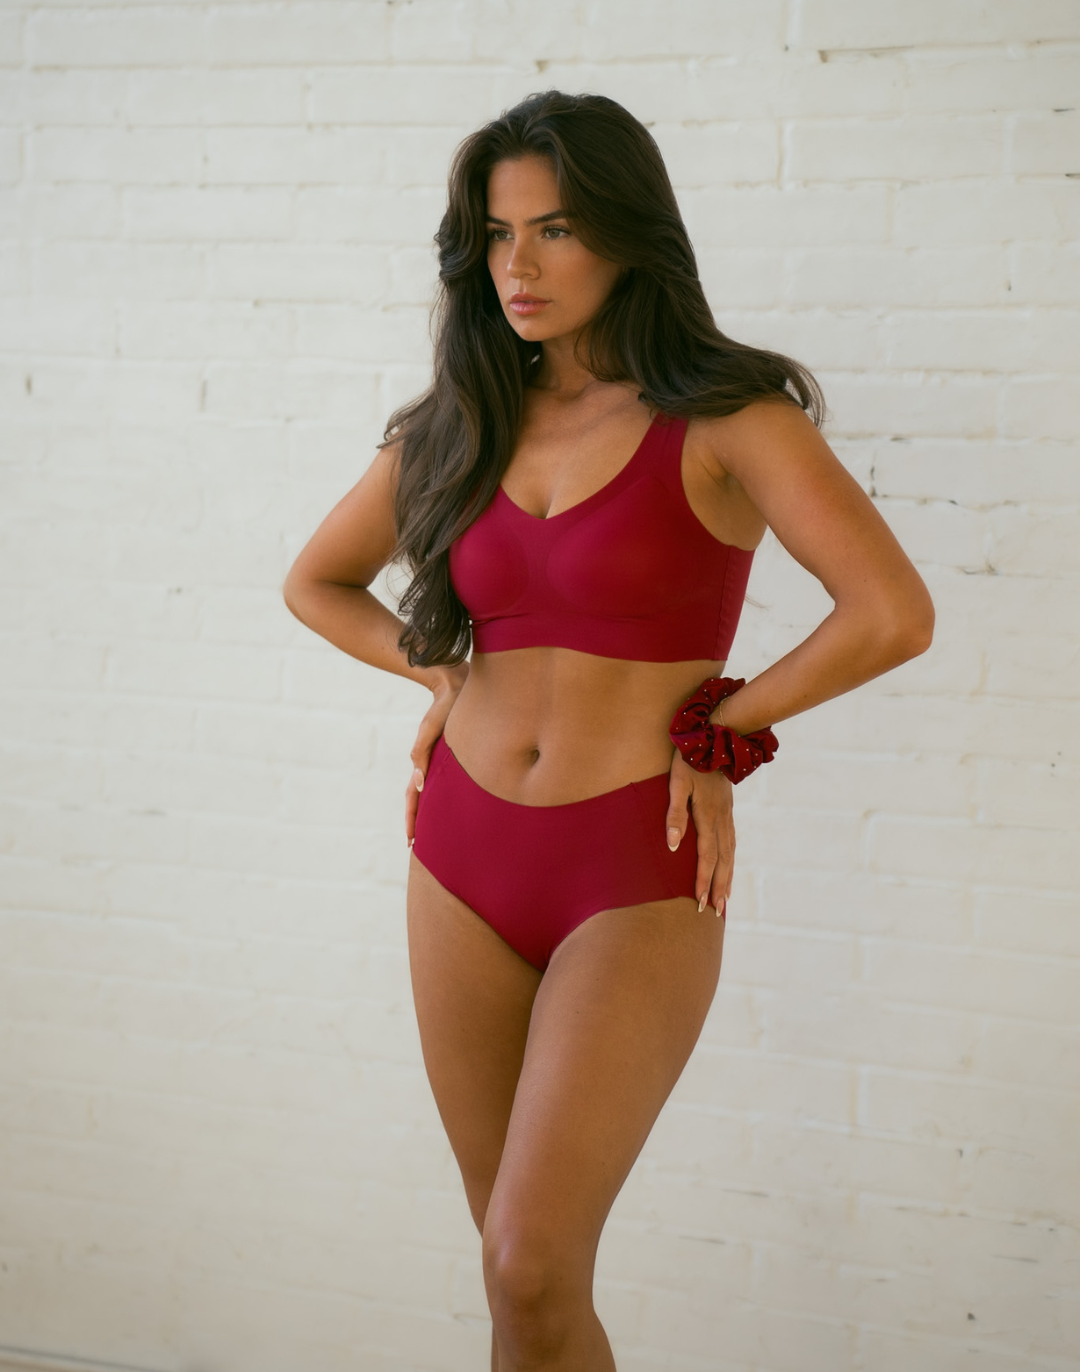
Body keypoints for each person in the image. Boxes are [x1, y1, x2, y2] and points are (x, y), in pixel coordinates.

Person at [283, 89, 934, 1372]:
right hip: (460, 855)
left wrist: (723, 730)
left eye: (556, 229)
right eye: (497, 233)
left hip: (635, 862)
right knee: (521, 1278)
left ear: (631, 234)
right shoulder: (453, 424)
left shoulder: (730, 416)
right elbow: (318, 582)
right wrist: (440, 680)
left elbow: (891, 613)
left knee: (530, 1261)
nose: (517, 264)